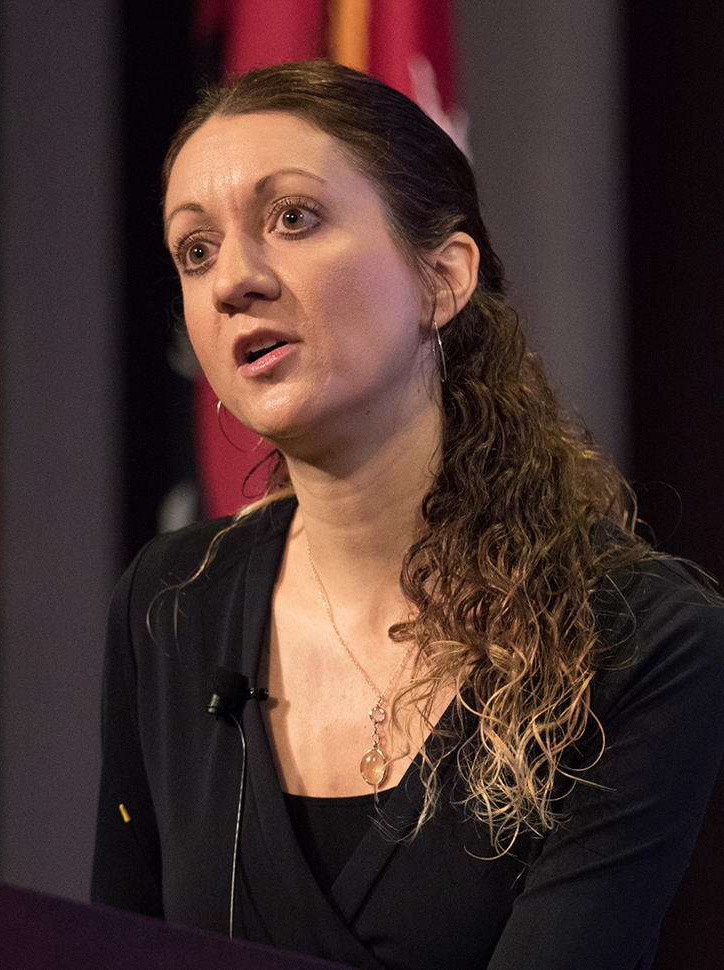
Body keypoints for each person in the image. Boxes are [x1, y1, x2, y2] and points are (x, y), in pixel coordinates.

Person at [91, 60, 724, 969]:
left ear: (442, 278)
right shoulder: (170, 604)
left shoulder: (637, 639)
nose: (233, 281)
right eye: (196, 250)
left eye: (294, 218)